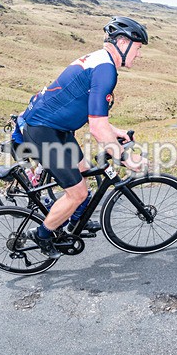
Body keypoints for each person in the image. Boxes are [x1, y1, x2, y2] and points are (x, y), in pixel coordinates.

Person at [19, 16, 149, 258]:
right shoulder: (105, 70)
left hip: (57, 129)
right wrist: (125, 158)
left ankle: (74, 222)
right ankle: (43, 234)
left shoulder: (100, 60)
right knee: (77, 192)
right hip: (43, 131)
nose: (139, 55)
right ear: (123, 42)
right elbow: (98, 128)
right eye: (138, 48)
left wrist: (115, 132)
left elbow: (95, 116)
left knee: (85, 171)